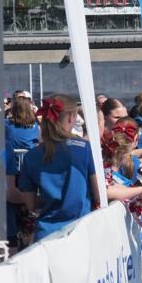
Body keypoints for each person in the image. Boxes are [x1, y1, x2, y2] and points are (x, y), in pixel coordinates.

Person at [19, 96, 101, 241]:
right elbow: (99, 194)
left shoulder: (31, 156)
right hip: (79, 231)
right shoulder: (84, 149)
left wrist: (52, 198)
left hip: (46, 234)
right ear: (71, 118)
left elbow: (30, 204)